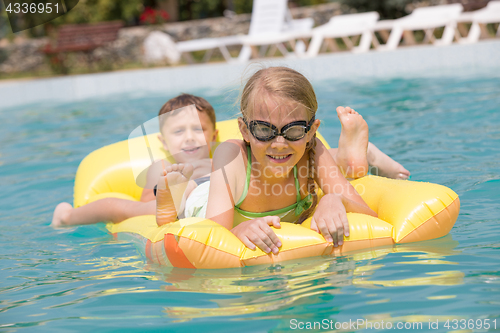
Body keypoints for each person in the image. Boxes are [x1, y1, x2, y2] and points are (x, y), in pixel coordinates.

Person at [202, 67, 378, 255]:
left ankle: (349, 160)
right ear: (245, 130)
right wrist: (238, 230)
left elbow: (372, 219)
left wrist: (335, 199)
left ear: (311, 131)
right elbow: (212, 238)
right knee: (194, 182)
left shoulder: (311, 152)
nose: (279, 144)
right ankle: (347, 159)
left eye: (293, 130)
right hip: (204, 197)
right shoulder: (231, 156)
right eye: (264, 130)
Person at [51, 94, 218, 228]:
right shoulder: (163, 166)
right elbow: (147, 201)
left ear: (214, 136)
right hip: (164, 208)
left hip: (207, 200)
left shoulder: (218, 163)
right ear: (164, 142)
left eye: (198, 129)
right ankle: (66, 217)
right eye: (179, 131)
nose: (189, 138)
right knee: (114, 206)